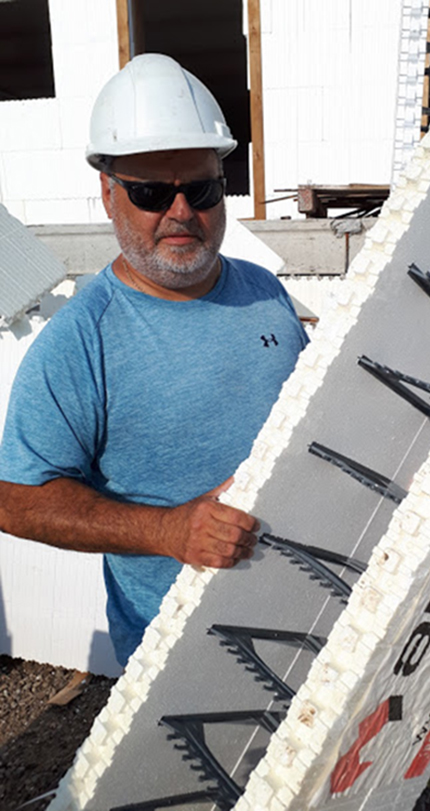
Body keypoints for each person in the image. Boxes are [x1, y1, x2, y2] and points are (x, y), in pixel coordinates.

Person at [0, 54, 308, 666]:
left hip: (308, 608)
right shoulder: (80, 341)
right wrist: (168, 531)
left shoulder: (266, 292)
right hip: (183, 651)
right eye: (150, 192)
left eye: (200, 188)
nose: (181, 211)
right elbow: (16, 501)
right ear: (109, 194)